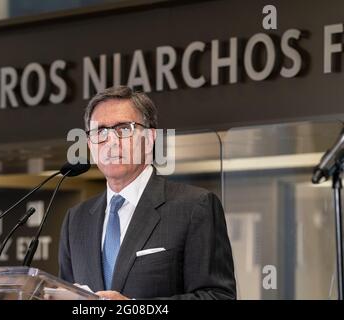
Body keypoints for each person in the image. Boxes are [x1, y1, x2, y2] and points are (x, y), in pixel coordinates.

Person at [59, 85, 236, 300]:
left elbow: (218, 297)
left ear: (150, 137)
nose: (111, 142)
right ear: (89, 143)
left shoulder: (194, 207)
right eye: (100, 132)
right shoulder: (76, 220)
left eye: (124, 129)